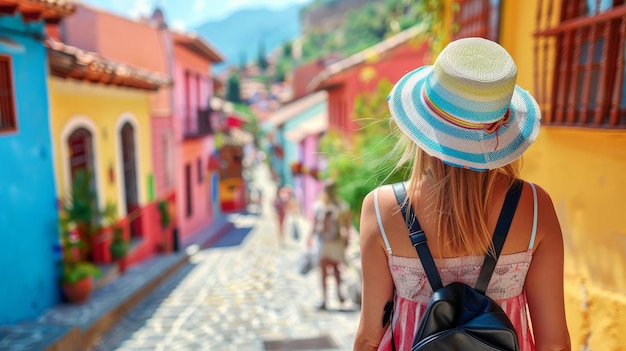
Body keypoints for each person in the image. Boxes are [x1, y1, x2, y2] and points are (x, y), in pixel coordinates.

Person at [354, 38, 570, 350]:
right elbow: (555, 344)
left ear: (423, 126)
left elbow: (369, 337)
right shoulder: (535, 207)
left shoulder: (382, 208)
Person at [308, 179, 351, 310]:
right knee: (336, 267)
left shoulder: (319, 205)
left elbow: (315, 224)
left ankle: (324, 300)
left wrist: (310, 237)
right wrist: (346, 238)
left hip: (324, 242)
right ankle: (338, 292)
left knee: (324, 271)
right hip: (336, 241)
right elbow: (346, 225)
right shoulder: (341, 205)